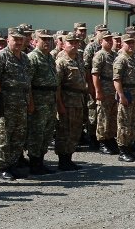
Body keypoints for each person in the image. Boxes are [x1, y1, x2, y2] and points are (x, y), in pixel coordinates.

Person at [0, 27, 33, 181]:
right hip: (6, 103)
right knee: (3, 136)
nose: (18, 42)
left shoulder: (24, 58)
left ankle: (13, 164)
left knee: (18, 135)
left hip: (21, 102)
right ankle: (3, 167)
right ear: (8, 40)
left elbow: (27, 82)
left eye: (20, 39)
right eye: (15, 39)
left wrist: (29, 101)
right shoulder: (1, 57)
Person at [27, 29, 58, 175]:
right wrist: (31, 103)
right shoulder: (32, 58)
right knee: (36, 134)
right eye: (43, 39)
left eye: (49, 39)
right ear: (35, 41)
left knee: (47, 133)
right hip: (39, 100)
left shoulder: (50, 58)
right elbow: (28, 84)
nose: (46, 42)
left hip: (50, 100)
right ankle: (34, 163)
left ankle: (40, 161)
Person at [55, 33, 88, 171]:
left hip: (78, 100)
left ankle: (69, 158)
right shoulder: (61, 61)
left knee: (75, 131)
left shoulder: (79, 60)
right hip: (67, 101)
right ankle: (62, 160)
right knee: (64, 131)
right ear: (63, 45)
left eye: (76, 42)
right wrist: (60, 105)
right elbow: (57, 86)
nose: (74, 45)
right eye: (71, 43)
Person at [113, 34, 135, 162]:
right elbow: (117, 80)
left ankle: (129, 149)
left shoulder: (133, 59)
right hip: (126, 96)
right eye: (128, 43)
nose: (131, 45)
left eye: (132, 43)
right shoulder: (121, 59)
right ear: (122, 44)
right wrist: (121, 95)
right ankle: (123, 150)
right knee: (124, 124)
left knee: (132, 124)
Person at [92, 31, 119, 154]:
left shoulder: (114, 55)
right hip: (104, 89)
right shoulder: (99, 55)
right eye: (106, 39)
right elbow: (95, 75)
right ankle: (102, 141)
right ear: (101, 42)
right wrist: (98, 91)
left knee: (113, 117)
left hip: (113, 91)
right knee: (103, 117)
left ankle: (110, 138)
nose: (109, 41)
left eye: (110, 39)